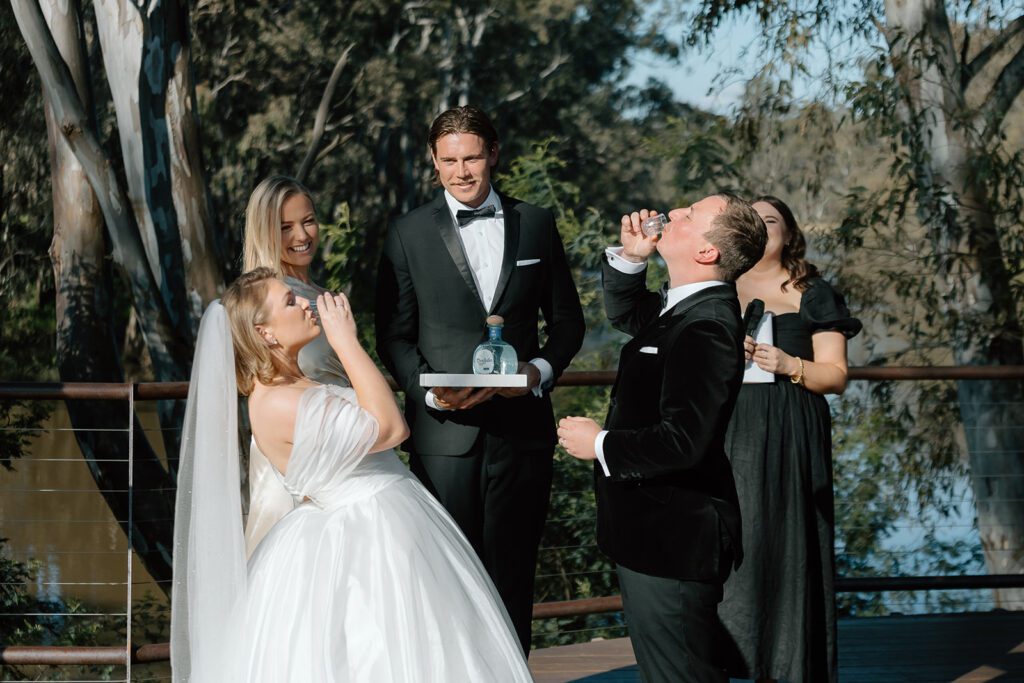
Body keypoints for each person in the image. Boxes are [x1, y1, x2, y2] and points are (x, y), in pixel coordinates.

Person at [170, 268, 532, 682]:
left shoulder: (298, 381)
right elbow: (391, 429)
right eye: (289, 302)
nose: (305, 303)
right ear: (265, 333)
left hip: (392, 515)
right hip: (365, 532)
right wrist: (345, 342)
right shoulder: (275, 402)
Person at [375, 105, 585, 654]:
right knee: (445, 578)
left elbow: (567, 323)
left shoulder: (537, 222)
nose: (461, 172)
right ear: (433, 161)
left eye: (471, 158)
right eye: (449, 161)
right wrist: (427, 387)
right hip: (443, 434)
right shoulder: (406, 232)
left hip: (523, 433)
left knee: (514, 575)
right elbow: (393, 335)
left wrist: (536, 373)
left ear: (493, 154)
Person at [557, 195, 767, 683]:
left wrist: (601, 444)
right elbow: (631, 318)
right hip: (652, 533)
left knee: (680, 675)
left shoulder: (710, 327)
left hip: (674, 536)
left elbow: (684, 441)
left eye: (689, 217)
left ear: (707, 252)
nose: (671, 215)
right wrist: (632, 259)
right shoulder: (685, 310)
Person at [718, 195, 861, 683]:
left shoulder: (812, 291)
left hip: (790, 429)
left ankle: (790, 669)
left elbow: (837, 376)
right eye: (751, 220)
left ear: (789, 233)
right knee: (735, 544)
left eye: (771, 220)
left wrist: (788, 364)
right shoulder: (714, 287)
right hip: (723, 428)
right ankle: (730, 664)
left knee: (789, 542)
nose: (761, 227)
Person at [241, 175, 349, 555]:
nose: (301, 235)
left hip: (340, 450)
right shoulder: (268, 303)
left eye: (308, 220)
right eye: (285, 227)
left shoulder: (320, 295)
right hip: (296, 464)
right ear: (264, 232)